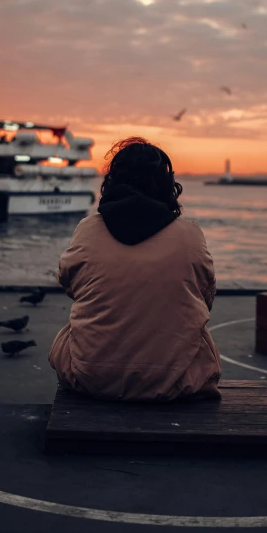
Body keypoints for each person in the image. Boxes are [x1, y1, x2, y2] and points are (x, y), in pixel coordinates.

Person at [48, 137, 222, 402]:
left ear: (112, 181)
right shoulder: (191, 235)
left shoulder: (87, 230)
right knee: (199, 332)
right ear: (167, 185)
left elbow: (70, 284)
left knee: (70, 331)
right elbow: (205, 298)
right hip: (174, 381)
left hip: (91, 377)